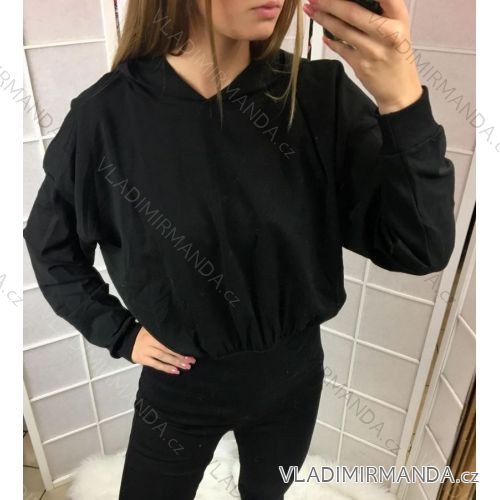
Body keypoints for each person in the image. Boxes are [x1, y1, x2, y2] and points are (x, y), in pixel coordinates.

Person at [23, 0, 456, 498]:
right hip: (181, 385)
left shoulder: (317, 97)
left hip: (293, 380)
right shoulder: (105, 118)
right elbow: (52, 248)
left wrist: (401, 100)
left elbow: (420, 246)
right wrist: (120, 333)